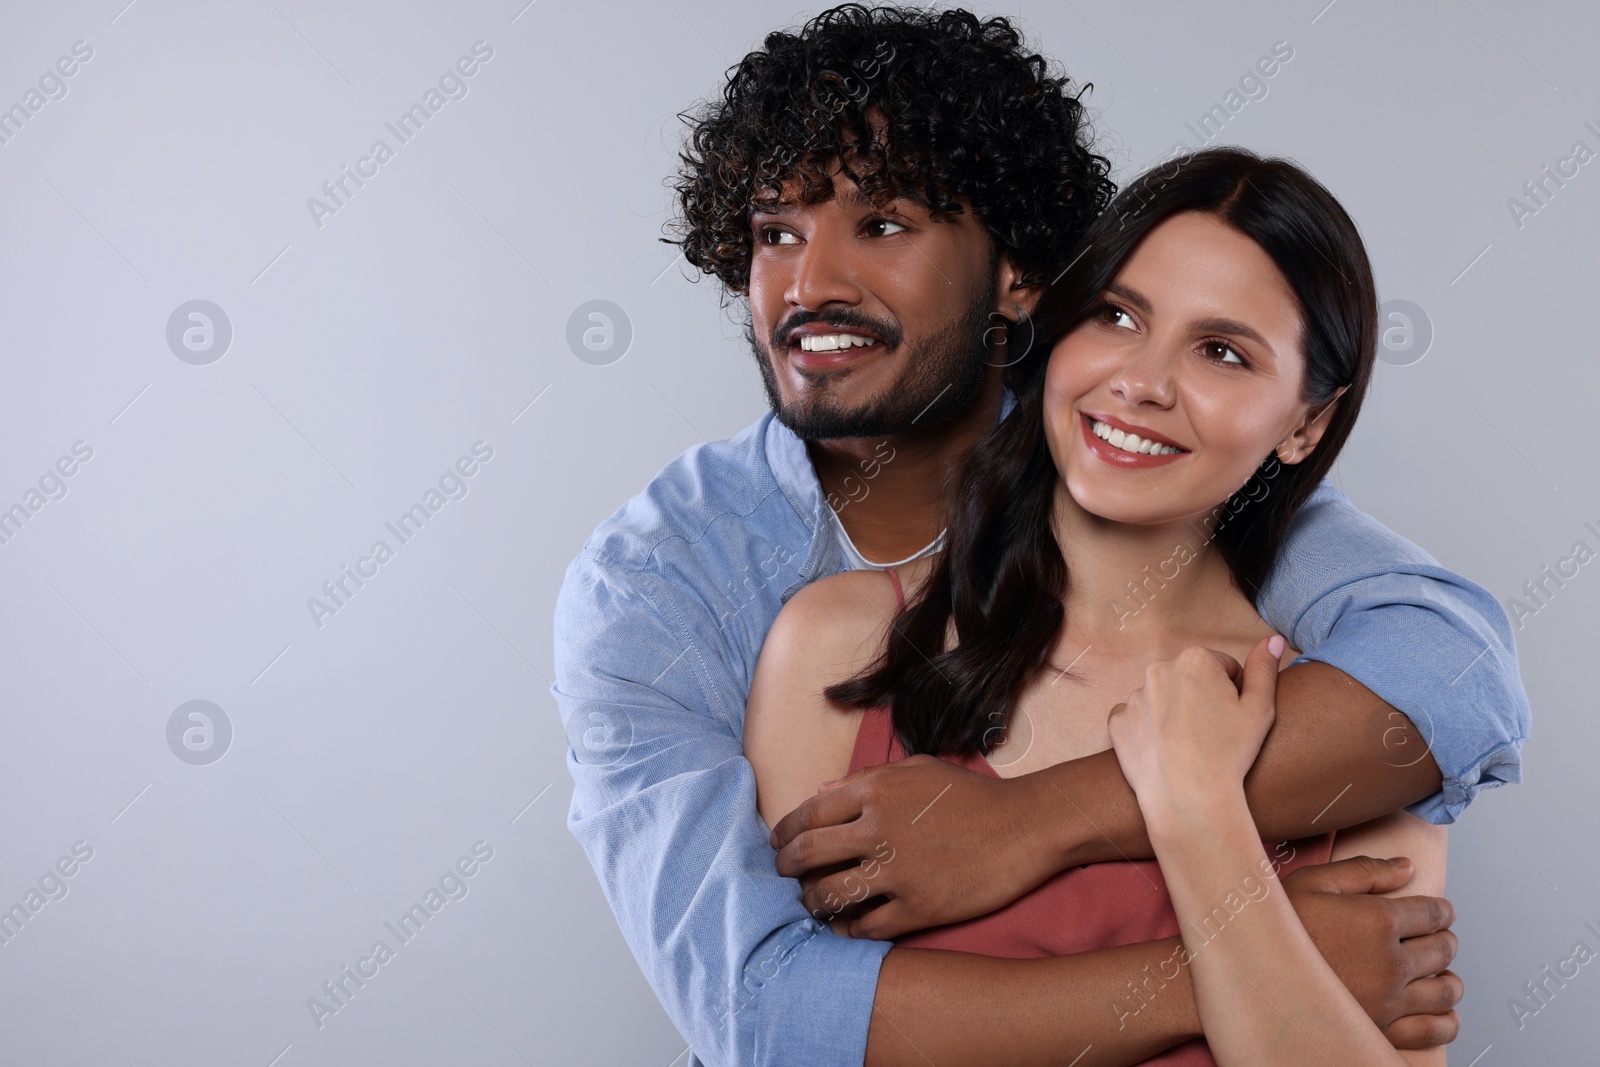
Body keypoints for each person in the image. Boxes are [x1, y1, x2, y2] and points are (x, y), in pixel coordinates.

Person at [551, 7, 1529, 1065]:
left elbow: (1452, 677)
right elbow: (764, 1014)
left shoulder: (1154, 468)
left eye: (882, 224)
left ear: (1019, 276)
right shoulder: (677, 584)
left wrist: (1044, 820)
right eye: (774, 232)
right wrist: (1251, 956)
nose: (811, 283)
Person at [744, 146, 1454, 1065]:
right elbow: (775, 1029)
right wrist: (1240, 964)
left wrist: (1199, 810)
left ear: (1306, 423)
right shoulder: (840, 642)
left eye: (1222, 351)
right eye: (1117, 316)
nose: (1143, 382)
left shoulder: (1353, 728)